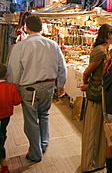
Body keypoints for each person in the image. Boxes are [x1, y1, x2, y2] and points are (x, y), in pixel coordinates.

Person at [7, 15, 67, 163]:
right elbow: (62, 66)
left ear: (26, 28)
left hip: (29, 88)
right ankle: (43, 144)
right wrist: (61, 85)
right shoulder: (52, 44)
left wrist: (13, 87)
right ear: (41, 27)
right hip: (48, 85)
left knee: (31, 119)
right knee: (44, 114)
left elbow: (14, 70)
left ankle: (35, 153)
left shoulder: (20, 46)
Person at [79, 24, 112, 172]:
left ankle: (98, 161)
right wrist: (87, 84)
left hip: (102, 91)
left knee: (100, 128)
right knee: (92, 128)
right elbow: (87, 72)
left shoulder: (105, 50)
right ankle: (89, 164)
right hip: (96, 92)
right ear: (108, 34)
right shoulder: (100, 51)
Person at [0, 63, 22, 173]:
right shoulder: (11, 87)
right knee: (2, 133)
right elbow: (17, 101)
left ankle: (3, 164)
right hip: (5, 116)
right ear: (6, 74)